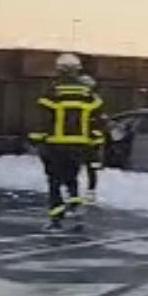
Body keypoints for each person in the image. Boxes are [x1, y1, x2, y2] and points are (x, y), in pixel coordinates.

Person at [30, 53, 105, 232]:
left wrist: (36, 139)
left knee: (54, 181)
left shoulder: (52, 93)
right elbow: (97, 120)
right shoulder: (89, 95)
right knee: (72, 179)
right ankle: (76, 209)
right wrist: (95, 141)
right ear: (77, 71)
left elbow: (43, 120)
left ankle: (56, 218)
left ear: (59, 70)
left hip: (56, 145)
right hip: (80, 146)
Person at [78, 72, 106, 202]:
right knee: (87, 166)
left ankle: (90, 191)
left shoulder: (93, 100)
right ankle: (88, 191)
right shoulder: (95, 100)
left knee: (90, 166)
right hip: (88, 139)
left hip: (90, 140)